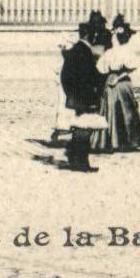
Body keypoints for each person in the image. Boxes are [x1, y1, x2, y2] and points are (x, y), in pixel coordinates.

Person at [93, 19, 140, 153]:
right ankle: (126, 141)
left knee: (113, 111)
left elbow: (101, 69)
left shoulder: (113, 52)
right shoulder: (120, 52)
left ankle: (111, 141)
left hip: (115, 82)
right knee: (126, 111)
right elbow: (131, 67)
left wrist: (114, 77)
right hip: (123, 83)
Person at [60, 20, 107, 172]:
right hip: (85, 96)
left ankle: (74, 157)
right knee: (84, 129)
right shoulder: (85, 52)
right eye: (94, 34)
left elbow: (64, 75)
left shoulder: (74, 50)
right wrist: (103, 78)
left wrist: (69, 93)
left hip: (75, 96)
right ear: (89, 35)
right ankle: (81, 162)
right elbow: (91, 76)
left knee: (79, 126)